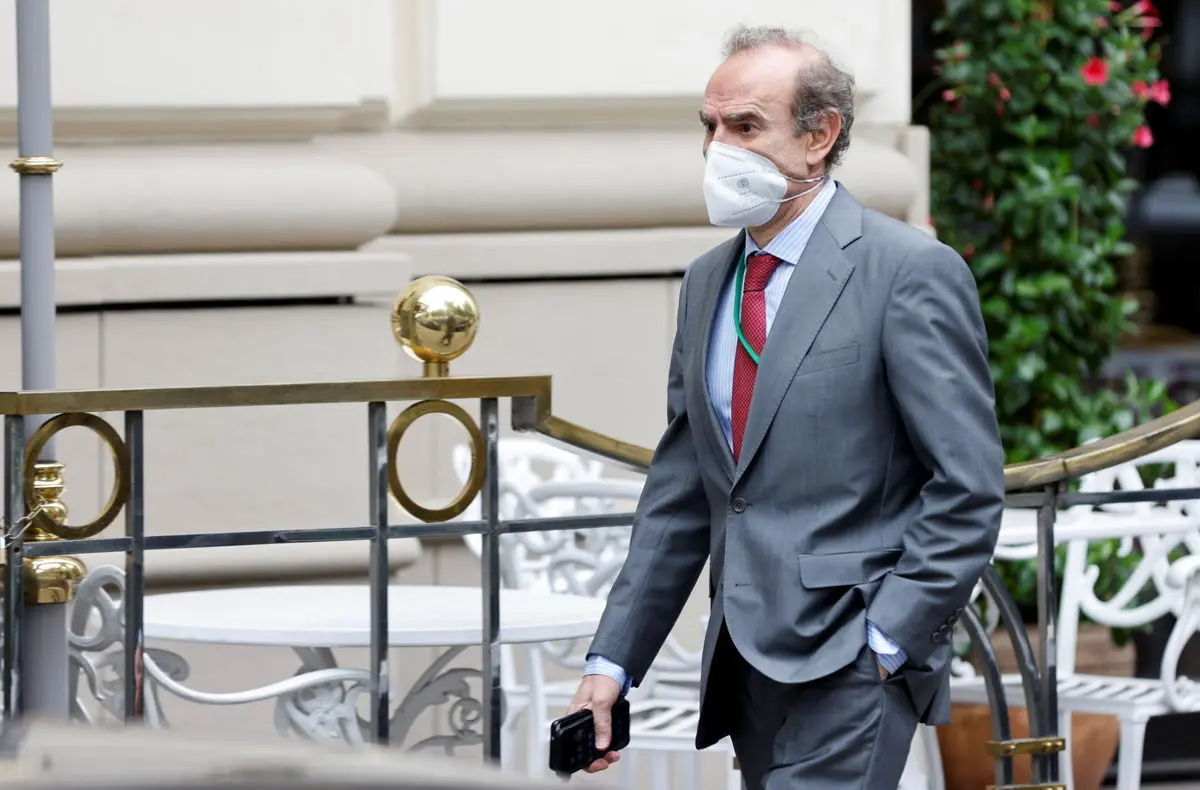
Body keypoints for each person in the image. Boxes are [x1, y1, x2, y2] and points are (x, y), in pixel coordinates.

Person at [566, 24, 1005, 790]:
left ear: (818, 136)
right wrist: (613, 663)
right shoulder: (707, 281)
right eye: (709, 126)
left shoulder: (909, 271)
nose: (717, 149)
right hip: (744, 665)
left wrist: (889, 640)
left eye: (745, 126)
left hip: (852, 660)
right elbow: (682, 493)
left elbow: (967, 487)